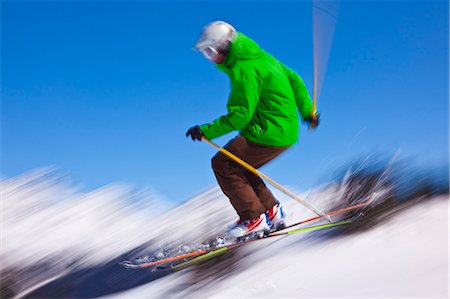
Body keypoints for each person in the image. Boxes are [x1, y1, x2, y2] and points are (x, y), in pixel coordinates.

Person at [186, 21, 319, 237]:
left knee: (224, 164)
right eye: (205, 54)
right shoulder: (263, 58)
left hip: (267, 131)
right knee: (241, 165)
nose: (210, 59)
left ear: (224, 46)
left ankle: (253, 219)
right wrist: (307, 112)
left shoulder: (244, 69)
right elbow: (294, 79)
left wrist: (205, 130)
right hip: (283, 130)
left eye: (209, 52)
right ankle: (271, 211)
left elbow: (240, 115)